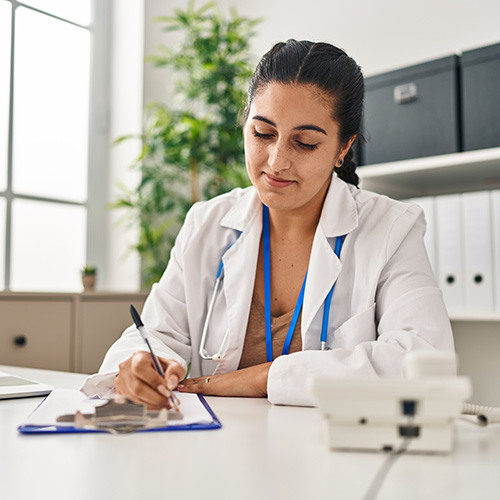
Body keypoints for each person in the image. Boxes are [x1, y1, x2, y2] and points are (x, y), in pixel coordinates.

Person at [82, 40, 454, 408]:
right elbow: (155, 335)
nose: (276, 161)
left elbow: (426, 362)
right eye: (263, 133)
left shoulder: (391, 228)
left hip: (332, 457)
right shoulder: (207, 223)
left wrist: (265, 377)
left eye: (305, 143)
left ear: (343, 148)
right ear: (245, 124)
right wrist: (138, 366)